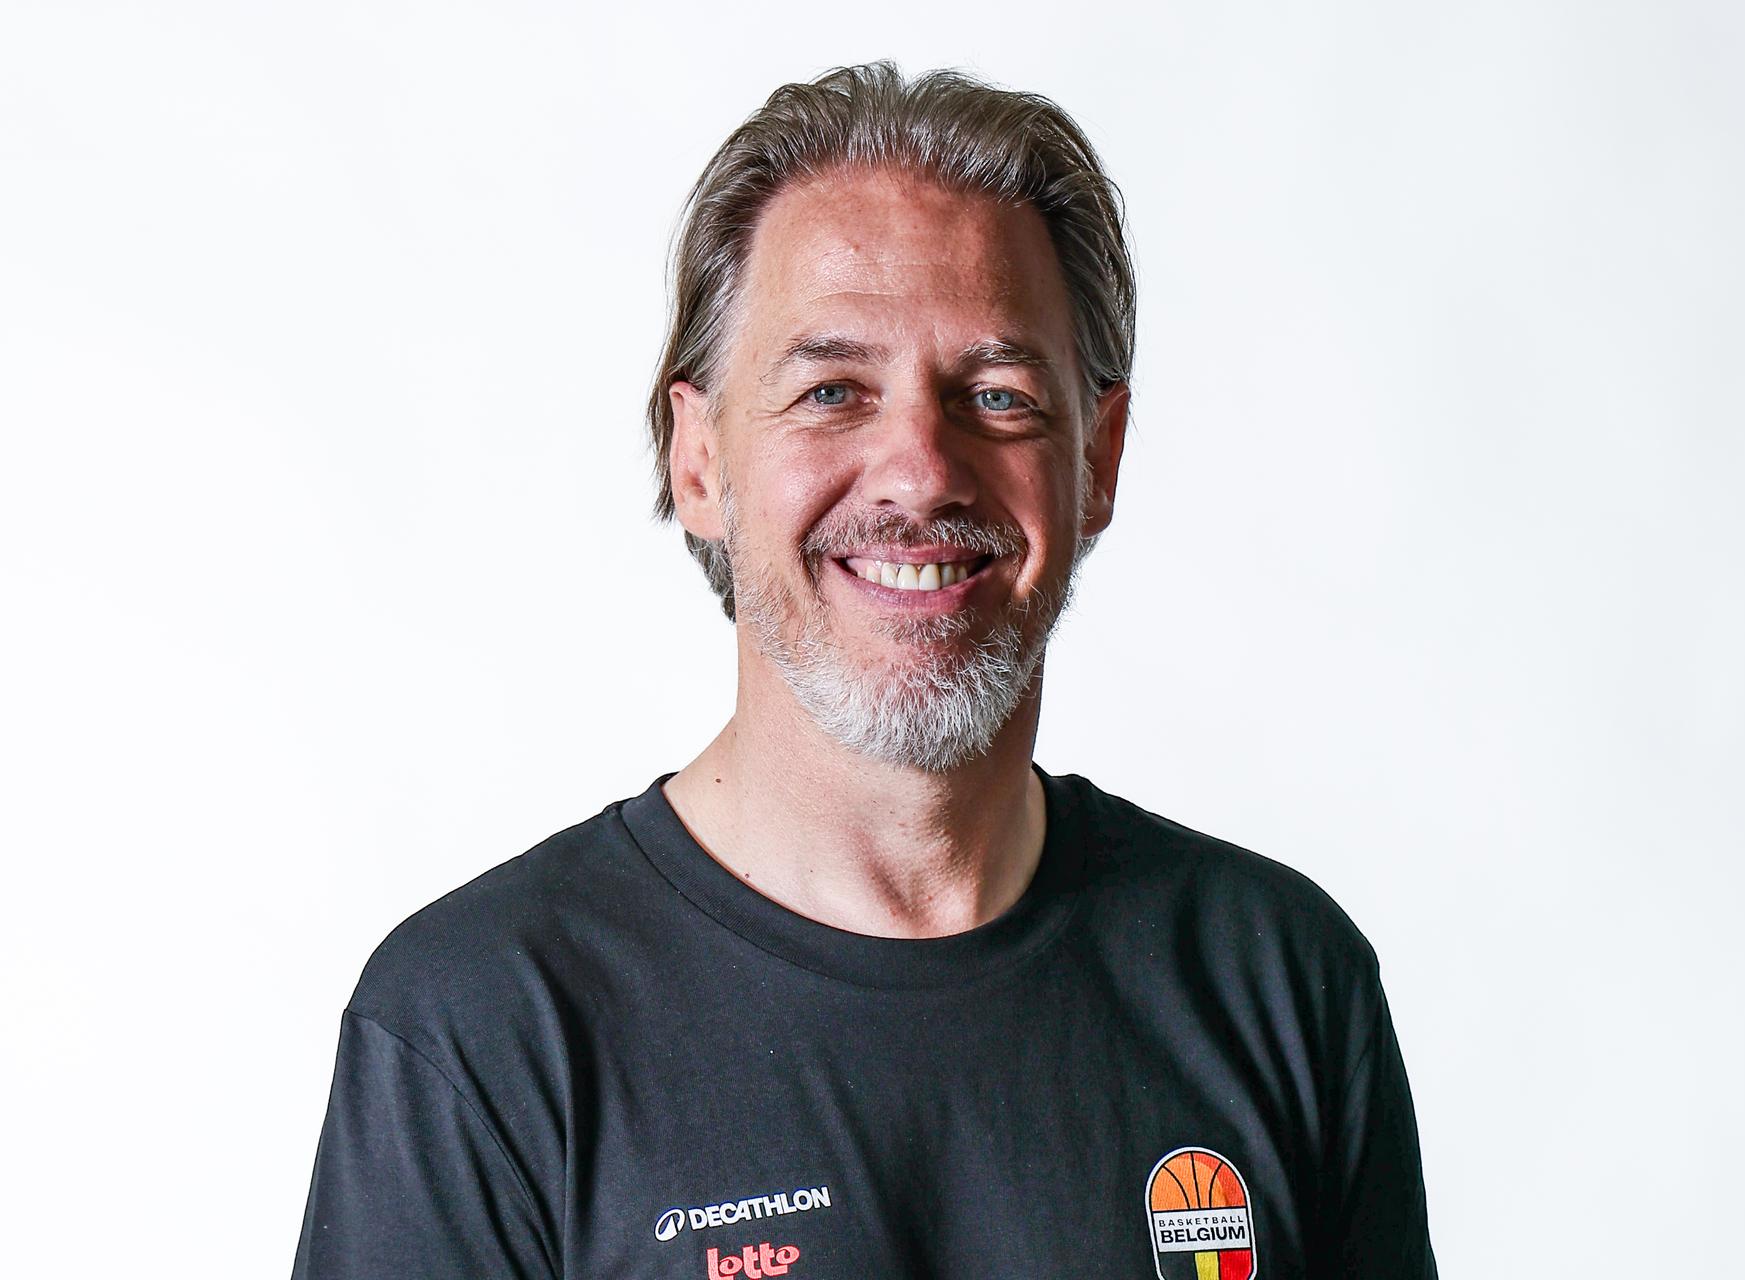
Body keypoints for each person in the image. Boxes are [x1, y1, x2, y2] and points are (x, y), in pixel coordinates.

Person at [292, 62, 1437, 1280]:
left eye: (997, 395)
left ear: (1096, 462)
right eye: (831, 390)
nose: (920, 470)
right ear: (699, 462)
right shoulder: (481, 1031)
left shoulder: (1281, 982)